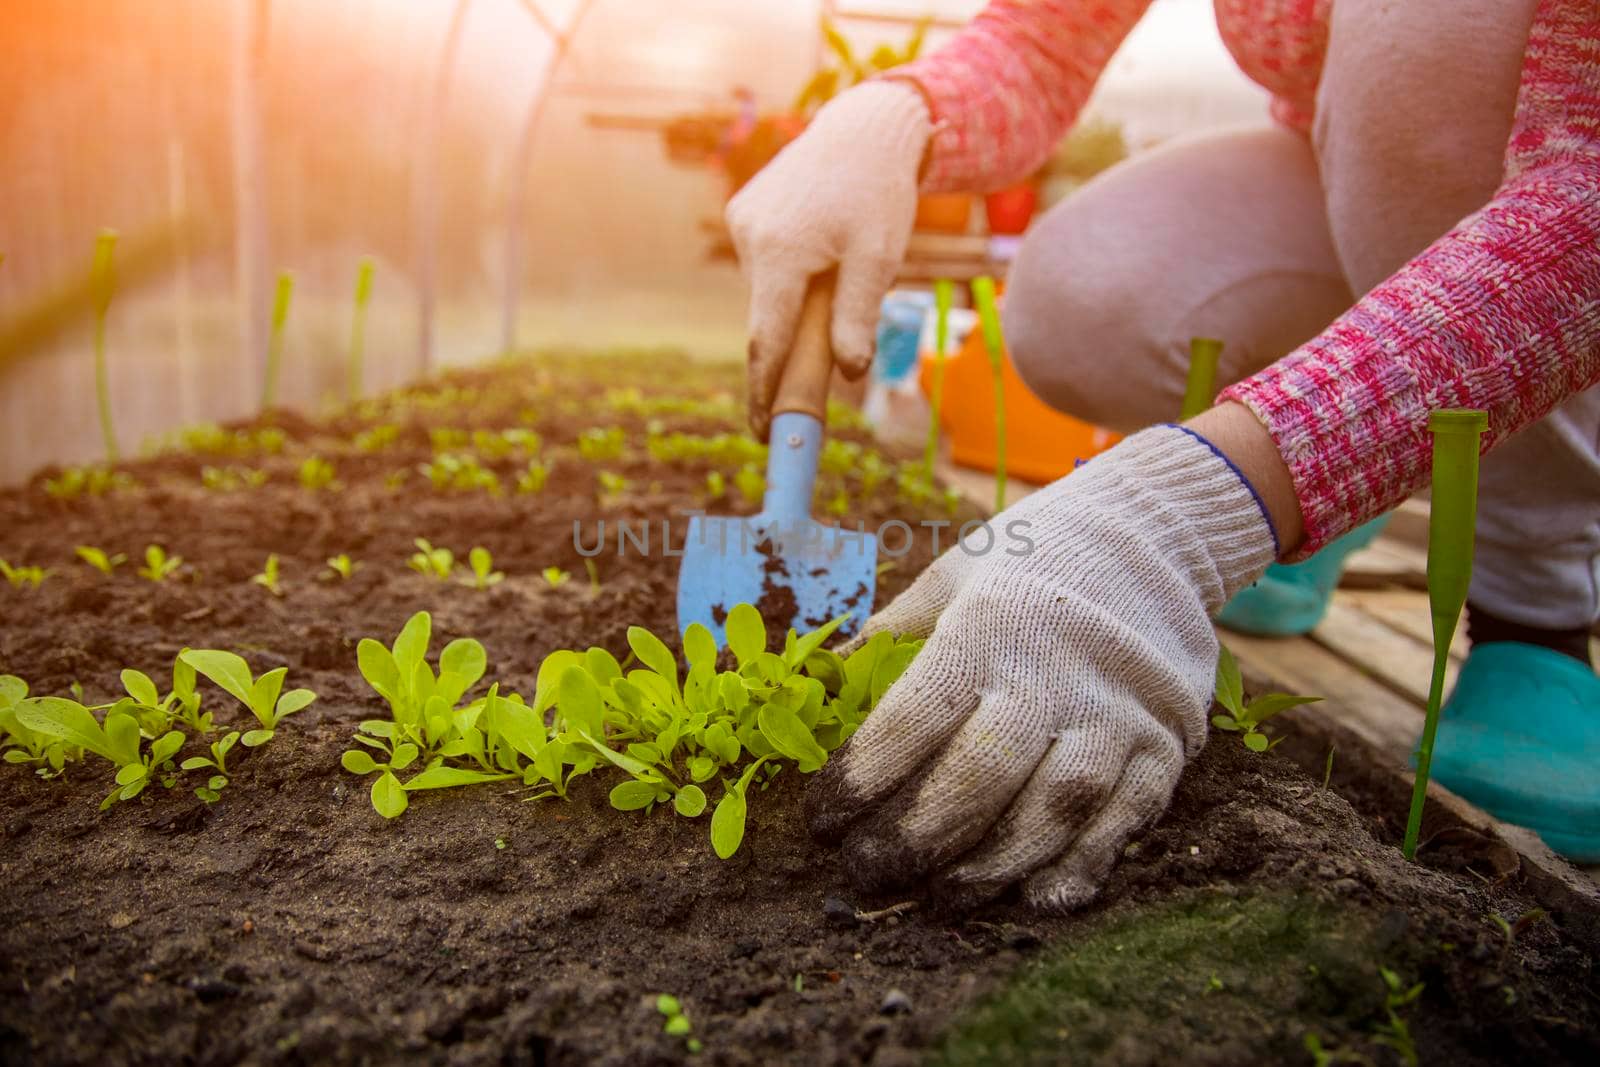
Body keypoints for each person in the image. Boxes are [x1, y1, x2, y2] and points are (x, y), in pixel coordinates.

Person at [725, 0, 1600, 911]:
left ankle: (1533, 606)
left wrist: (1172, 513)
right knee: (1085, 291)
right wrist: (892, 117)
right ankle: (1347, 454)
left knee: (1428, 30)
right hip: (1333, 178)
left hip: (1555, 199)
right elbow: (1046, 33)